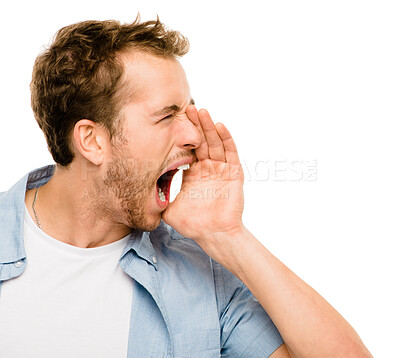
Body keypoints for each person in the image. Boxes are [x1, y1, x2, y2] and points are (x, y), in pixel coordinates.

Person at [0, 17, 371, 357]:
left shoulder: (201, 280)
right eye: (166, 115)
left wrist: (228, 235)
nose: (194, 134)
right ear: (92, 141)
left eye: (189, 111)